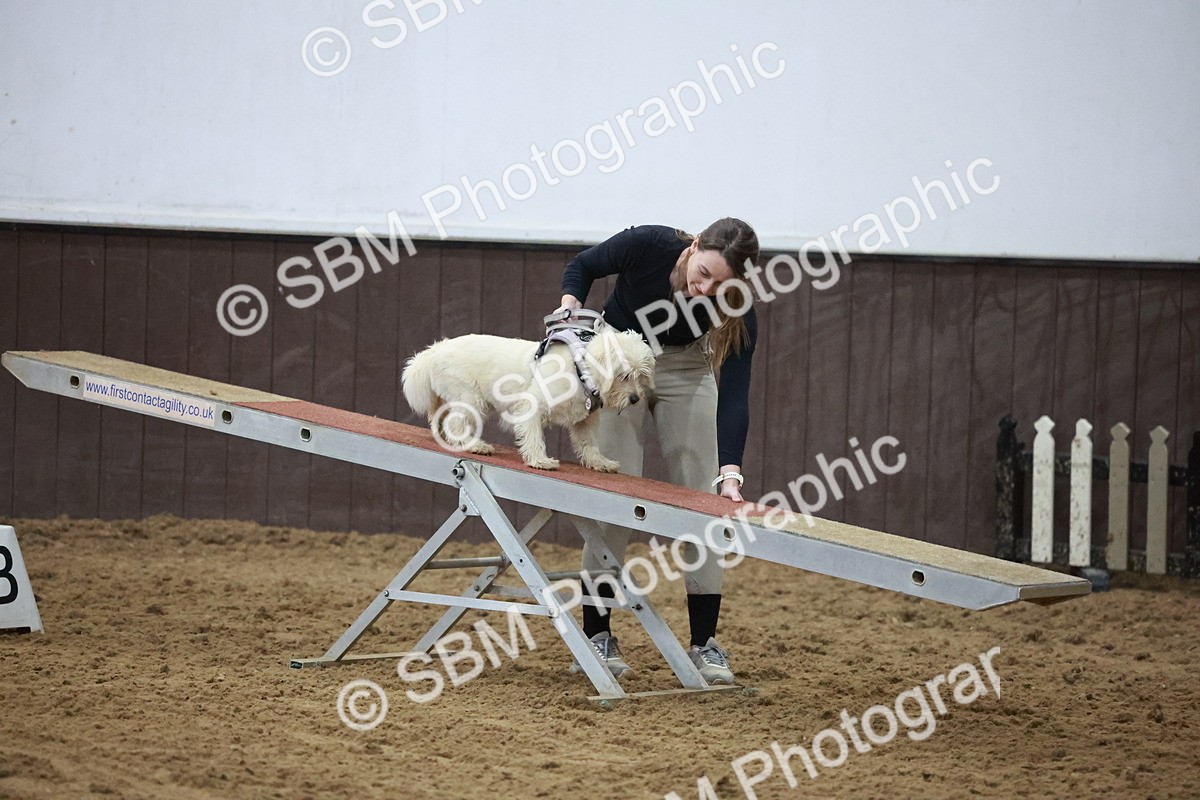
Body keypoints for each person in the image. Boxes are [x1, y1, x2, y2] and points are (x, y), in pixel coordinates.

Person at [556, 218, 759, 685]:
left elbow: (735, 393)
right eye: (703, 274)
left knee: (703, 502)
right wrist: (569, 308)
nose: (704, 289)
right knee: (614, 493)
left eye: (720, 286)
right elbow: (583, 266)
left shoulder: (737, 306)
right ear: (695, 245)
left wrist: (730, 474)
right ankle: (597, 635)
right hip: (621, 357)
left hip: (687, 366)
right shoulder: (648, 244)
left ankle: (705, 645)